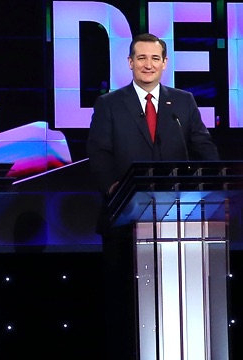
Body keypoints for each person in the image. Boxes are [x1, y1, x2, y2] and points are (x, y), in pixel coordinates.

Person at [87, 33, 219, 359]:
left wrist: (214, 182)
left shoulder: (183, 102)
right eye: (141, 58)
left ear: (165, 63)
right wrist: (113, 187)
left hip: (178, 219)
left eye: (155, 58)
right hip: (124, 219)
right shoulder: (110, 103)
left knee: (175, 297)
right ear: (130, 62)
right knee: (125, 302)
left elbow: (203, 147)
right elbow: (99, 153)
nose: (148, 64)